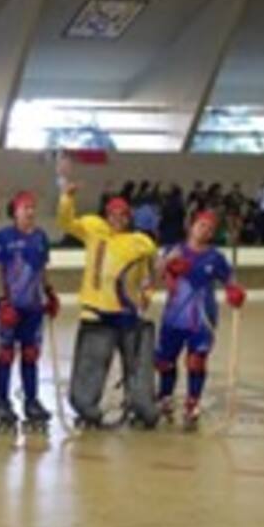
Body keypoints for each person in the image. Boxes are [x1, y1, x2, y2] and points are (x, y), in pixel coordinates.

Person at [56, 160, 159, 430]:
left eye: (123, 214)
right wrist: (67, 197)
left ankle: (141, 406)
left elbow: (153, 270)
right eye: (113, 213)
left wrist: (148, 291)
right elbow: (66, 222)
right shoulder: (93, 228)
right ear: (106, 213)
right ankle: (87, 408)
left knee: (136, 367)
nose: (118, 218)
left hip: (128, 315)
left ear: (129, 217)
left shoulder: (141, 243)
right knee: (90, 367)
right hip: (96, 312)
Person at [155, 210, 246, 430]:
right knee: (164, 362)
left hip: (202, 319)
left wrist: (234, 291)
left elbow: (230, 279)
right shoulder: (173, 250)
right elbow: (156, 274)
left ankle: (192, 402)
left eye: (210, 228)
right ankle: (165, 397)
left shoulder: (215, 258)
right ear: (191, 225)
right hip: (174, 317)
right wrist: (167, 263)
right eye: (201, 225)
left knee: (196, 361)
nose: (205, 230)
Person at [0, 191, 58, 435]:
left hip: (33, 307)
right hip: (10, 306)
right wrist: (3, 300)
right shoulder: (3, 237)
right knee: (6, 354)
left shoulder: (41, 237)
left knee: (30, 354)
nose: (30, 212)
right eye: (25, 207)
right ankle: (2, 402)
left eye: (32, 207)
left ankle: (31, 400)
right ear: (15, 211)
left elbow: (42, 270)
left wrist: (49, 293)